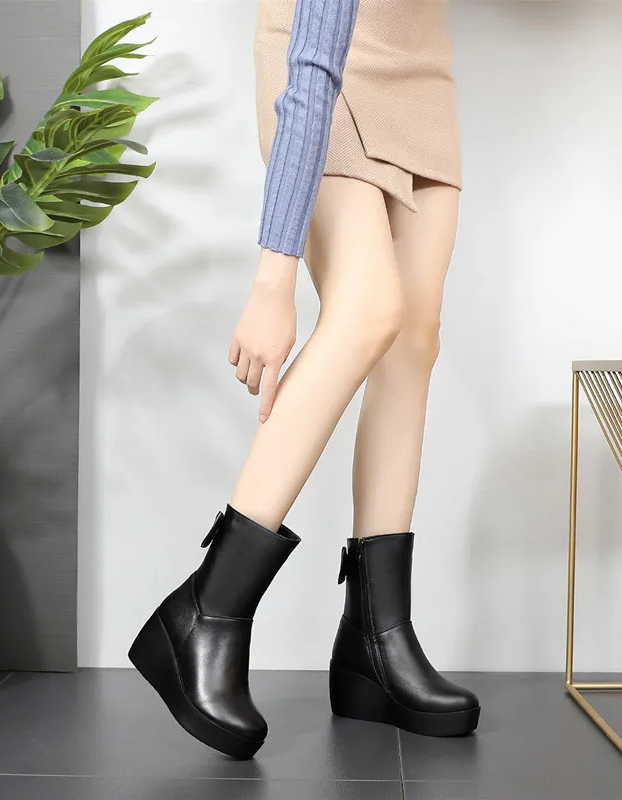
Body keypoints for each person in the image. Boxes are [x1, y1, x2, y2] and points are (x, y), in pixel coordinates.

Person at [128, 0, 480, 759]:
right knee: (367, 311)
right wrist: (273, 277)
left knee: (413, 342)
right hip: (325, 74)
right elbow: (314, 64)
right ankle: (208, 608)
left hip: (423, 73)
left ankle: (377, 642)